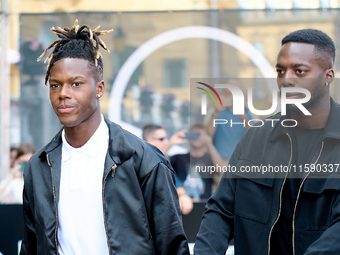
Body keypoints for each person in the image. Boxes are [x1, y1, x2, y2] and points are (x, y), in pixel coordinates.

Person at [20, 20, 189, 255]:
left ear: (99, 88)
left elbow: (172, 246)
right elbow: (31, 246)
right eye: (55, 85)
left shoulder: (144, 160)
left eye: (76, 84)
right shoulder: (38, 167)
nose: (63, 94)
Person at [195, 29, 340, 255]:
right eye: (280, 71)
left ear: (328, 76)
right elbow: (221, 210)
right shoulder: (256, 137)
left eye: (299, 71)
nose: (286, 80)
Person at [142, 124, 193, 215]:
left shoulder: (164, 162)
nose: (166, 142)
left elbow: (174, 181)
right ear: (149, 141)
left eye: (166, 138)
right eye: (161, 139)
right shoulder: (141, 161)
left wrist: (182, 195)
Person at [170, 124, 224, 200]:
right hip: (183, 204)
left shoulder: (210, 158)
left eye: (201, 135)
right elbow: (161, 163)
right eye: (194, 135)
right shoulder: (179, 157)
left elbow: (221, 170)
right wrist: (171, 143)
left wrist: (210, 145)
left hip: (204, 204)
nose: (197, 138)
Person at [205, 79, 252, 161]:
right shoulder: (214, 111)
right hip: (222, 161)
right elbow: (208, 135)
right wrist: (216, 112)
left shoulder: (248, 112)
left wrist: (243, 117)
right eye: (229, 93)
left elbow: (255, 135)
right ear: (224, 94)